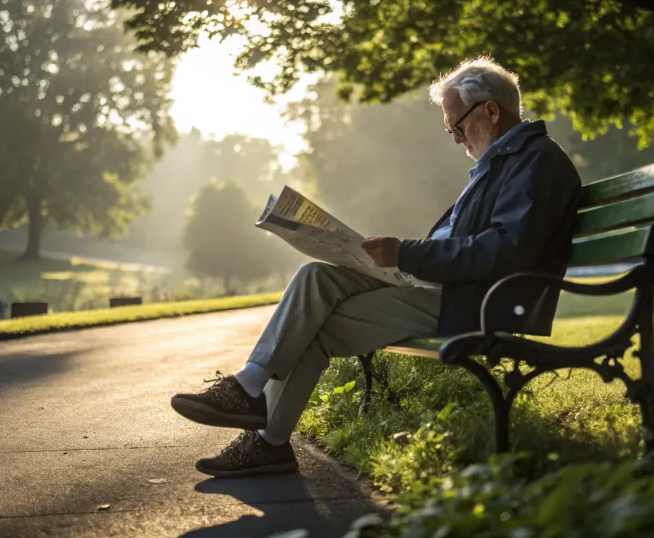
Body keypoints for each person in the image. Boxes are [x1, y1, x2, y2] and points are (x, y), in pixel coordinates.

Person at [171, 56, 582, 478]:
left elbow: (503, 252)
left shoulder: (536, 163)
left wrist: (406, 254)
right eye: (451, 130)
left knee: (313, 328)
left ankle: (267, 438)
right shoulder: (502, 163)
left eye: (456, 126)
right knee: (316, 276)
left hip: (478, 300)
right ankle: (251, 386)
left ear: (491, 110)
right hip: (439, 285)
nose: (456, 139)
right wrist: (396, 260)